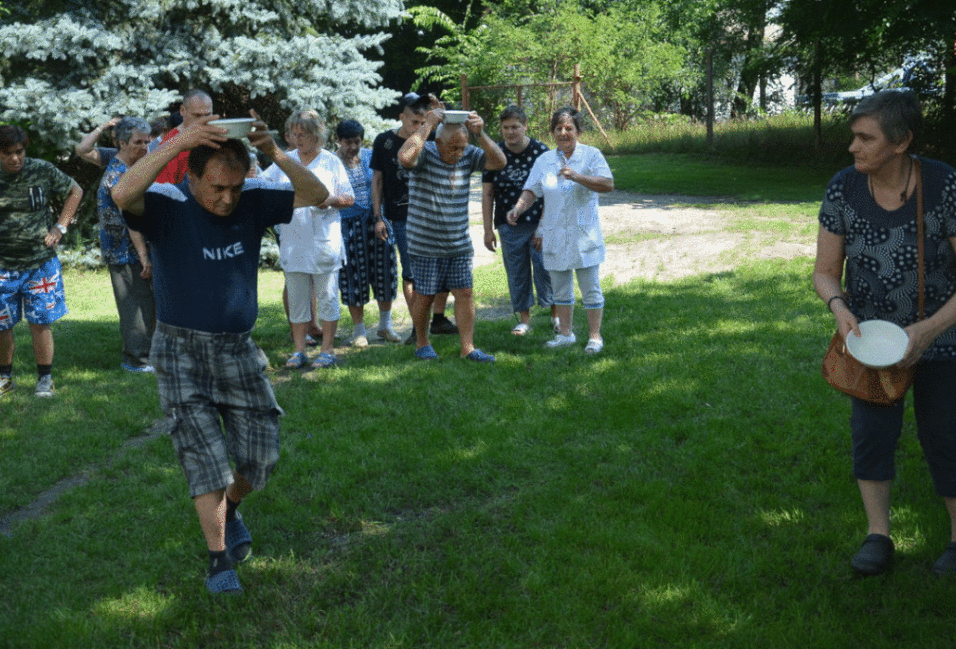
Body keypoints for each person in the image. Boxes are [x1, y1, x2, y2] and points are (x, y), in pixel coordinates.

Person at [111, 110, 328, 594]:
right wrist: (178, 142)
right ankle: (217, 558)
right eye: (215, 187)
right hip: (179, 350)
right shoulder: (165, 203)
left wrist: (273, 153)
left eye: (234, 186)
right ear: (191, 177)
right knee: (202, 454)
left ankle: (230, 509)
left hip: (238, 350)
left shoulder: (253, 199)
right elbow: (122, 193)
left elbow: (315, 195)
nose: (226, 198)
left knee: (262, 456)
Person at [813, 90, 956, 577]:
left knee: (947, 434)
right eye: (853, 136)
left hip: (943, 335)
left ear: (901, 142)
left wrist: (929, 330)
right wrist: (839, 308)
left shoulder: (942, 184)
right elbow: (825, 272)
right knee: (871, 435)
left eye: (864, 138)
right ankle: (879, 536)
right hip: (870, 340)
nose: (853, 147)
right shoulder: (843, 189)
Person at [398, 95, 506, 362]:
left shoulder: (468, 153)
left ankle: (467, 347)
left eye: (462, 146)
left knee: (465, 292)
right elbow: (404, 157)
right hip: (424, 242)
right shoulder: (426, 151)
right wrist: (427, 126)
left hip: (457, 242)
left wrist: (480, 134)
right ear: (438, 142)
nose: (459, 153)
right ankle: (422, 343)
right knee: (424, 294)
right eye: (453, 148)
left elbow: (499, 162)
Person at [506, 106, 614, 354]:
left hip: (584, 235)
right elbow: (532, 189)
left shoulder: (591, 155)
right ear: (552, 132)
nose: (563, 133)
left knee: (590, 289)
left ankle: (595, 337)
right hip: (554, 235)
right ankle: (566, 334)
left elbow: (608, 184)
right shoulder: (545, 160)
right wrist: (518, 208)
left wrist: (576, 176)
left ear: (578, 130)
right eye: (558, 128)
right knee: (560, 289)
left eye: (569, 128)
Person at [261, 110, 353, 369]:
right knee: (298, 298)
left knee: (327, 297)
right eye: (294, 134)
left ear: (317, 135)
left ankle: (327, 349)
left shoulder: (330, 161)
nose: (297, 139)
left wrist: (328, 201)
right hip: (293, 241)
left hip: (324, 242)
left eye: (303, 135)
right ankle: (299, 350)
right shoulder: (284, 160)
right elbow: (262, 185)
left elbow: (349, 198)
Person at [0, 125, 83, 397]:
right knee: (2, 325)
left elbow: (75, 191)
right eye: (7, 153)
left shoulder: (42, 170)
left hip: (40, 264)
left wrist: (60, 227)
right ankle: (4, 378)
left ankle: (45, 379)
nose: (15, 158)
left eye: (19, 152)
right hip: (3, 266)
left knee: (40, 322)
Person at [371, 92, 458, 344]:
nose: (418, 128)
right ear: (401, 117)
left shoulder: (432, 138)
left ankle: (438, 320)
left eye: (423, 123)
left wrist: (442, 116)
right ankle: (418, 328)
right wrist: (378, 216)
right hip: (401, 217)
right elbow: (377, 181)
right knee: (411, 273)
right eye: (413, 122)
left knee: (441, 267)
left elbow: (454, 142)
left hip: (434, 215)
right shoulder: (384, 142)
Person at [482, 105, 556, 336]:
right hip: (509, 225)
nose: (511, 132)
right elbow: (487, 193)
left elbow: (551, 192)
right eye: (506, 127)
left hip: (538, 222)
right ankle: (524, 320)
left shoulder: (541, 152)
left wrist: (544, 227)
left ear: (525, 127)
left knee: (546, 268)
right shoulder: (494, 153)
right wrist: (488, 229)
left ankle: (556, 316)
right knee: (517, 271)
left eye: (515, 126)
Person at [96, 116, 157, 373]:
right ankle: (136, 360)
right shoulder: (119, 174)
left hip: (128, 250)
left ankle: (147, 356)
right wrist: (144, 256)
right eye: (138, 142)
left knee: (144, 303)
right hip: (123, 251)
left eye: (147, 141)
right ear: (121, 143)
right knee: (135, 306)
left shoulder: (126, 166)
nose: (145, 147)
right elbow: (130, 220)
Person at [335, 119, 400, 347]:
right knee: (354, 276)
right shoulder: (332, 162)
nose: (353, 146)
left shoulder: (369, 156)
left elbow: (381, 184)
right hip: (348, 224)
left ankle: (385, 325)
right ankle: (359, 330)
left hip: (377, 220)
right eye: (348, 142)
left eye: (357, 141)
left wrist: (379, 216)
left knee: (385, 270)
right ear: (338, 140)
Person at [155, 89, 214, 184]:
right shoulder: (170, 143)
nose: (203, 120)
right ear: (183, 110)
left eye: (207, 115)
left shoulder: (216, 136)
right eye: (197, 115)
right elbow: (165, 190)